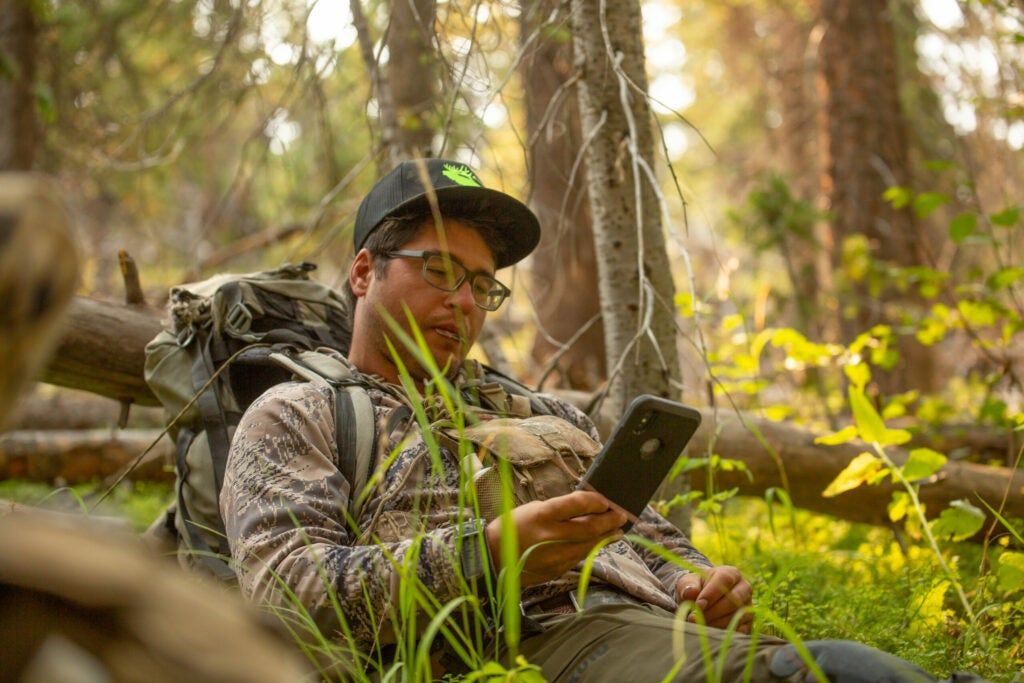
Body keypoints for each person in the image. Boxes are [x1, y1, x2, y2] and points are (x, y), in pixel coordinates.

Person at [220, 158, 983, 682]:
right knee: (838, 669)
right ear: (364, 272)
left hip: (657, 636)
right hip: (524, 648)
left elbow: (653, 542)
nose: (463, 301)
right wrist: (492, 554)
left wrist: (705, 585)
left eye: (483, 286)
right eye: (440, 270)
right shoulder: (299, 412)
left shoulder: (539, 411)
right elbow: (285, 597)